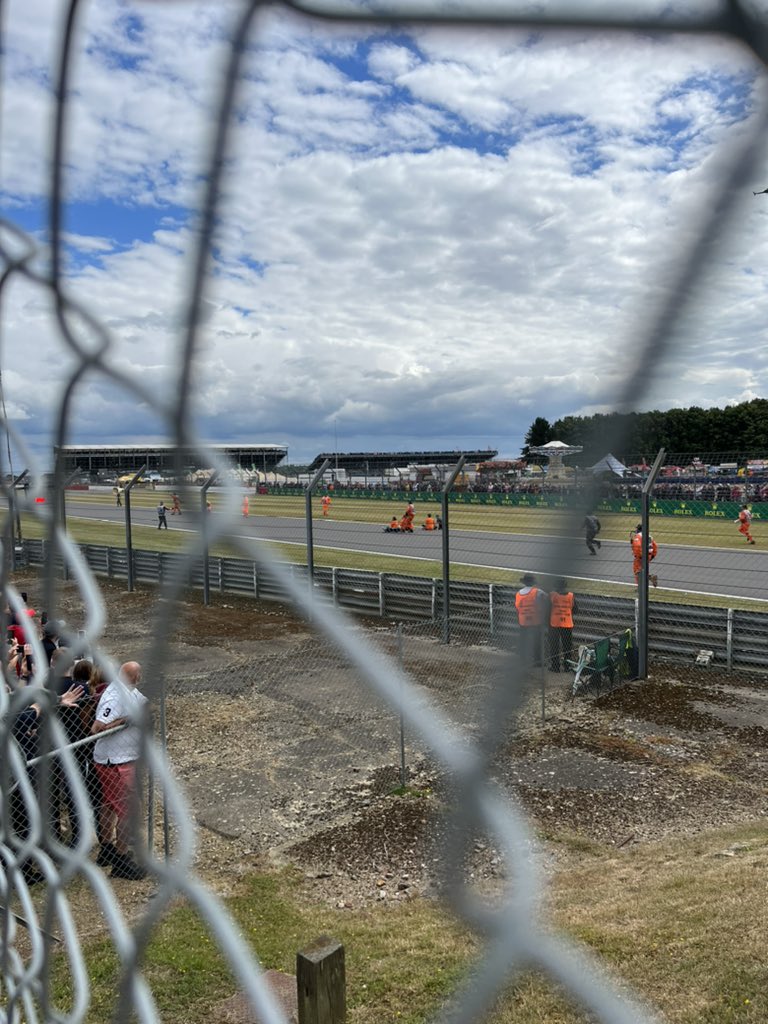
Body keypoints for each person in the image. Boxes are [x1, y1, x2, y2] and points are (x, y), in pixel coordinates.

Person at [91, 661, 149, 880]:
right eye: (138, 674)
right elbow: (97, 728)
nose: (140, 677)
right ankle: (121, 858)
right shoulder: (114, 696)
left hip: (120, 758)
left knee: (109, 805)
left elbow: (143, 703)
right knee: (128, 810)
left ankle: (107, 849)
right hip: (114, 761)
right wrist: (125, 721)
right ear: (132, 677)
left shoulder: (128, 690)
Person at [515, 573, 548, 668]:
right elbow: (547, 599)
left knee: (523, 641)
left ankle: (523, 660)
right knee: (537, 641)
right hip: (535, 621)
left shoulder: (518, 594)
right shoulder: (538, 592)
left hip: (523, 621)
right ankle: (537, 661)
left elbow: (517, 607)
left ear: (524, 582)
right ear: (533, 582)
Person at [549, 578, 578, 672]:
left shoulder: (552, 595)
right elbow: (576, 610)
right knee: (567, 646)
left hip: (554, 624)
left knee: (554, 646)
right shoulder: (571, 595)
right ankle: (567, 666)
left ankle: (555, 666)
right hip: (567, 623)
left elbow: (547, 608)